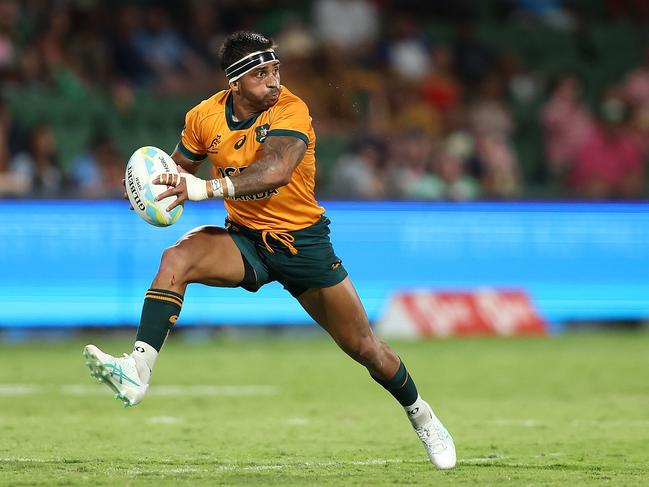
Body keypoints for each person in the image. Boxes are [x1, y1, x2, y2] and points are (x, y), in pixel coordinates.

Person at [83, 31, 455, 469]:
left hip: (302, 243)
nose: (274, 81)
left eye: (276, 70)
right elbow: (177, 169)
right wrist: (152, 190)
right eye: (262, 73)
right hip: (246, 240)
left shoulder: (291, 109)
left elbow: (276, 170)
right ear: (235, 82)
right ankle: (137, 371)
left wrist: (206, 187)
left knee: (365, 348)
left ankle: (421, 415)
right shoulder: (204, 117)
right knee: (175, 259)